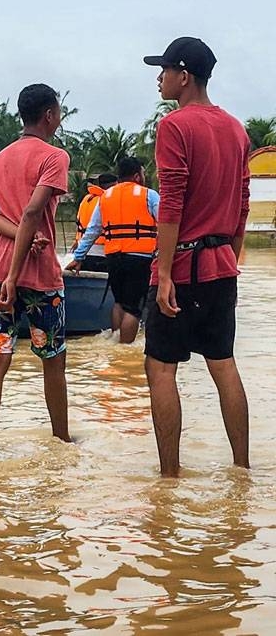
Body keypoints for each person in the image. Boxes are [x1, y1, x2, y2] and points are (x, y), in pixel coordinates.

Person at [141, 37, 251, 476]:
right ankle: (242, 469)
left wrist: (164, 272)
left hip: (182, 266)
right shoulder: (237, 129)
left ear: (183, 76)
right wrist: (230, 257)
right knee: (223, 363)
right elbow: (241, 203)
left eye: (164, 70)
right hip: (222, 266)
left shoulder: (174, 126)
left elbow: (172, 201)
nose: (159, 77)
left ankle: (170, 478)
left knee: (161, 369)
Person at [0, 83, 70, 449]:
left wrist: (15, 238)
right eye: (58, 112)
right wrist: (26, 242)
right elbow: (33, 211)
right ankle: (61, 441)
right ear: (49, 115)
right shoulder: (54, 157)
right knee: (53, 361)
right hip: (38, 274)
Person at [67, 156, 159, 343]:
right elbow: (166, 224)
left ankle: (115, 340)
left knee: (119, 302)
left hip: (113, 257)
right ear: (136, 176)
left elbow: (92, 230)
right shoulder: (149, 195)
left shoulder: (105, 197)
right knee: (134, 308)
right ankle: (125, 348)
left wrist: (78, 257)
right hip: (140, 257)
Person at [71, 173, 117, 272]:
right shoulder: (107, 200)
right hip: (101, 253)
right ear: (113, 186)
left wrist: (77, 242)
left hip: (83, 251)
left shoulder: (86, 200)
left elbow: (79, 223)